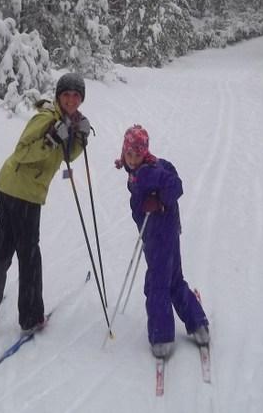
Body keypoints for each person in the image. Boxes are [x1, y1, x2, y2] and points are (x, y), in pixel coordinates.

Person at [0, 72, 91, 333]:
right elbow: (22, 152)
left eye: (76, 95)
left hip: (11, 187)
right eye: (67, 94)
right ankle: (31, 318)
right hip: (22, 193)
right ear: (59, 95)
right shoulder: (46, 118)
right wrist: (51, 140)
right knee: (28, 254)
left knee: (3, 250)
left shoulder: (66, 120)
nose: (71, 99)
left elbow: (67, 155)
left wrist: (79, 138)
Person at [115, 124, 209, 358]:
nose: (133, 158)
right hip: (162, 232)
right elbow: (168, 170)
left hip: (160, 234)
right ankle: (198, 324)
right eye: (129, 153)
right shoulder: (145, 167)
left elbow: (175, 185)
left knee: (157, 283)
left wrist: (160, 201)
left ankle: (162, 337)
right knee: (173, 278)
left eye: (137, 154)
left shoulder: (149, 171)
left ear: (144, 153)